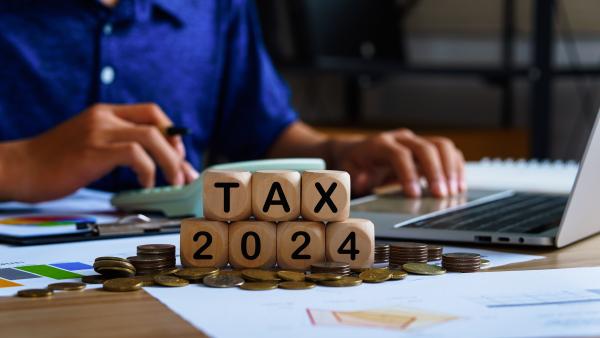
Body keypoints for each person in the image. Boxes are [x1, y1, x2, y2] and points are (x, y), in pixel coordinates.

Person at [0, 0, 465, 203]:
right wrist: (21, 164)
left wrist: (337, 154)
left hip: (171, 272)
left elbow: (264, 133)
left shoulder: (215, 5)